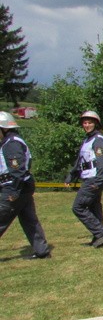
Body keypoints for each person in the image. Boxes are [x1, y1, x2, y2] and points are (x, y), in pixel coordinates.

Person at [0, 111, 51, 259]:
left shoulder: (12, 143)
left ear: (4, 128)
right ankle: (41, 251)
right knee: (29, 220)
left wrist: (14, 191)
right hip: (21, 186)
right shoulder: (10, 141)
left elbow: (17, 170)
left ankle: (42, 250)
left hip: (15, 187)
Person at [65, 111, 103, 248]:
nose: (87, 125)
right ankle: (99, 238)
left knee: (78, 207)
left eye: (90, 122)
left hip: (94, 178)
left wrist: (98, 182)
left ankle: (101, 232)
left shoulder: (98, 140)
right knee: (93, 207)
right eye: (85, 122)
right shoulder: (87, 140)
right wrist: (71, 174)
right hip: (89, 177)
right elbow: (79, 161)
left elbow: (102, 162)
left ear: (96, 123)